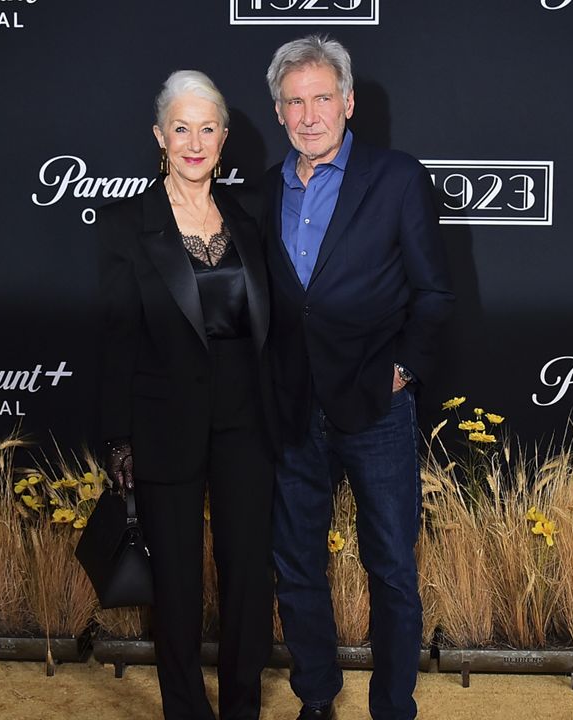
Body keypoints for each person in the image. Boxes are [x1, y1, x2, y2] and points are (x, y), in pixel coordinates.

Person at [262, 36, 455, 720]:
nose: (309, 114)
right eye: (294, 102)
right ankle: (316, 697)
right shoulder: (265, 191)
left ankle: (391, 706)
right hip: (291, 411)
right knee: (296, 569)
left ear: (347, 102)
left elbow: (434, 293)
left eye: (321, 98)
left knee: (393, 572)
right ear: (279, 112)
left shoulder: (396, 177)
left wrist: (402, 371)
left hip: (376, 407)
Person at [97, 70, 276, 720]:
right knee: (174, 585)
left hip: (246, 425)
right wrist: (118, 437)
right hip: (162, 425)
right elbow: (113, 337)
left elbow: (273, 325)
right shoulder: (124, 224)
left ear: (223, 139)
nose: (194, 141)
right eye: (181, 128)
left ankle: (242, 709)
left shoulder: (249, 217)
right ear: (159, 136)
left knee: (248, 579)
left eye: (207, 128)